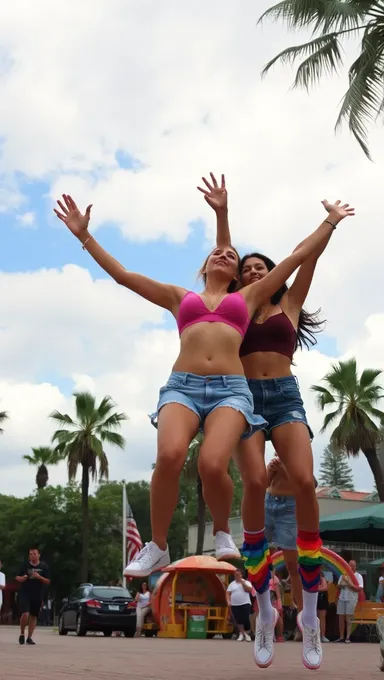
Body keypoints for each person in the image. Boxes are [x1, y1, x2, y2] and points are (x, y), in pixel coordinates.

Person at [53, 188, 348, 588]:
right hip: (183, 385)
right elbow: (123, 277)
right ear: (205, 264)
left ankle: (226, 532)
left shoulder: (248, 297)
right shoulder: (181, 297)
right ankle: (157, 545)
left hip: (232, 389)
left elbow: (297, 258)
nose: (227, 257)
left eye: (232, 257)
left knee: (212, 464)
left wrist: (330, 221)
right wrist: (83, 236)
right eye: (219, 255)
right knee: (171, 455)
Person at [200, 172, 354, 669]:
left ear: (271, 273)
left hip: (284, 396)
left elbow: (304, 256)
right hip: (244, 397)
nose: (250, 271)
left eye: (259, 266)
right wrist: (222, 213)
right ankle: (265, 608)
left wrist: (328, 224)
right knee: (253, 484)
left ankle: (308, 614)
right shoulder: (234, 308)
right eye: (246, 267)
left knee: (305, 481)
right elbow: (223, 254)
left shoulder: (288, 301)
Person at [16, 546, 50, 645]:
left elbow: (48, 581)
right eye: (30, 554)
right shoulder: (25, 565)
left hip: (37, 594)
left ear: (38, 555)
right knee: (25, 613)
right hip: (25, 592)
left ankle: (29, 637)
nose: (32, 556)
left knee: (33, 616)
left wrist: (40, 577)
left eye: (34, 554)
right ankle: (22, 633)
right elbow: (17, 577)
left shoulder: (44, 567)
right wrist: (22, 578)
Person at [335, 560, 364, 643]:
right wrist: (341, 584)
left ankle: (348, 637)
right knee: (341, 617)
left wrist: (348, 583)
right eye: (349, 565)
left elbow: (359, 588)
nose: (351, 567)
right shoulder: (343, 575)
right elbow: (338, 586)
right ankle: (341, 637)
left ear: (355, 567)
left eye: (353, 566)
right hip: (342, 598)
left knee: (349, 618)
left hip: (351, 599)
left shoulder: (358, 576)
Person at [226, 569, 253, 642]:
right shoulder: (232, 584)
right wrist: (228, 601)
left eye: (238, 574)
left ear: (241, 575)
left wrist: (242, 583)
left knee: (245, 618)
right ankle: (242, 633)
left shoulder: (246, 582)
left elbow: (250, 590)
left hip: (245, 603)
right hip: (235, 604)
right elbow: (228, 593)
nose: (236, 576)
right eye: (235, 575)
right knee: (238, 620)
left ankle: (247, 633)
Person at [269, 568, 284, 642]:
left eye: (272, 570)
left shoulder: (275, 580)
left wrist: (279, 605)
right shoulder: (263, 578)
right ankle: (270, 635)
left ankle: (279, 636)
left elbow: (278, 595)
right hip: (266, 601)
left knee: (277, 618)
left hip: (273, 601)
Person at [317, 572, 329, 643]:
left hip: (322, 600)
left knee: (322, 619)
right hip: (314, 600)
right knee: (314, 618)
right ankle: (315, 636)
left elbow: (325, 588)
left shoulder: (322, 579)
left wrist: (317, 588)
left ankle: (322, 636)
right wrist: (319, 587)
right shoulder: (310, 579)